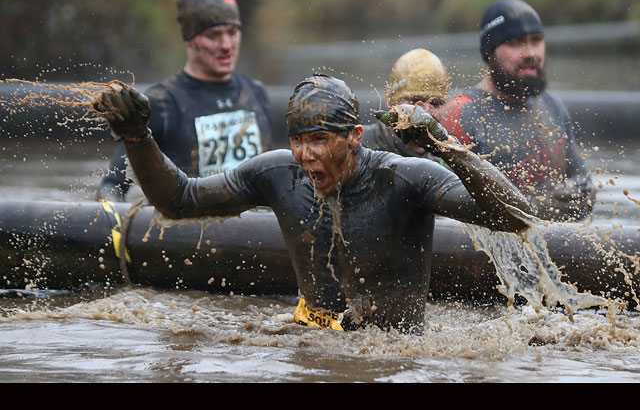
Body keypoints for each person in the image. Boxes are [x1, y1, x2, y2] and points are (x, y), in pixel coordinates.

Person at [93, 74, 532, 333]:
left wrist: (447, 147)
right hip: (310, 337)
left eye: (320, 141)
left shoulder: (404, 177)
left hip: (394, 354)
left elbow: (515, 217)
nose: (307, 156)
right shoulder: (277, 174)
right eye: (299, 141)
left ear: (354, 137)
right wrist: (137, 137)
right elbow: (179, 200)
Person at [97, 0, 273, 202]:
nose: (226, 46)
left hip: (252, 227)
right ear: (189, 39)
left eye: (232, 32)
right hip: (190, 227)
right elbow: (113, 185)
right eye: (213, 35)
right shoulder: (161, 102)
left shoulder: (256, 92)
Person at [440, 0, 596, 222]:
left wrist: (581, 194)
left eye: (537, 40)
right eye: (515, 43)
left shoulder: (552, 106)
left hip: (553, 246)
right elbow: (448, 207)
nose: (530, 53)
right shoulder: (460, 113)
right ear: (489, 52)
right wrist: (532, 209)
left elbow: (581, 180)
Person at [362, 48, 456, 164]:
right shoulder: (358, 145)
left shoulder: (447, 159)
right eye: (416, 101)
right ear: (393, 103)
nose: (426, 112)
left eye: (436, 103)